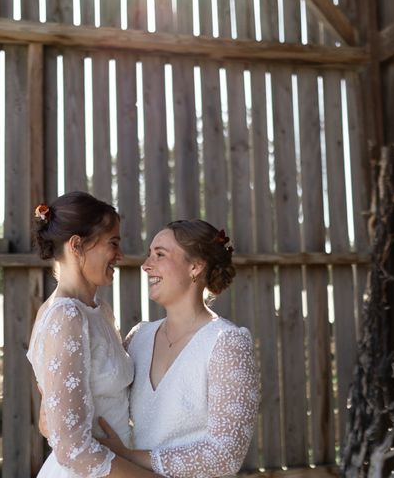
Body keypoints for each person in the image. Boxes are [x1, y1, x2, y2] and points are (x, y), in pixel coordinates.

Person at [97, 219, 260, 477]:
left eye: (159, 254)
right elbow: (103, 396)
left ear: (195, 267)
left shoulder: (227, 343)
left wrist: (128, 457)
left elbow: (225, 456)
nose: (146, 265)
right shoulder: (138, 338)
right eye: (149, 254)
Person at [26, 191, 157, 478]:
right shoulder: (65, 316)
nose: (120, 256)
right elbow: (72, 447)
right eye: (113, 244)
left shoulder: (99, 311)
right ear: (77, 245)